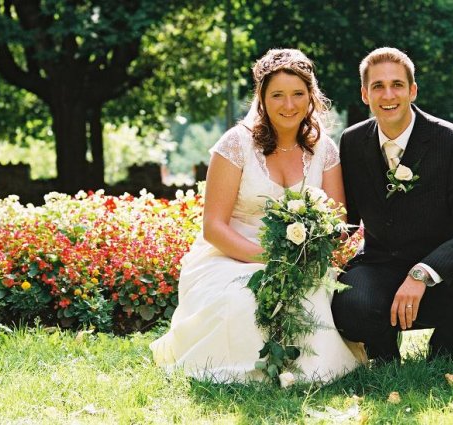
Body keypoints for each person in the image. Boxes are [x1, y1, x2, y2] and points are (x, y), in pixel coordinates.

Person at [150, 48, 360, 383]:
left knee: (314, 300)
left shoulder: (325, 148)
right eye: (277, 95)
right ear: (261, 97)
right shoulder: (235, 145)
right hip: (231, 255)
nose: (288, 105)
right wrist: (270, 259)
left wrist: (309, 251)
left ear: (311, 96)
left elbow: (338, 221)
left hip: (302, 261)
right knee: (242, 301)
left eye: (298, 94)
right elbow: (214, 227)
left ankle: (305, 372)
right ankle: (245, 370)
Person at [331, 47, 453, 364]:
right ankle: (385, 359)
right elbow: (349, 216)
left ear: (412, 90)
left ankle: (441, 357)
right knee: (348, 304)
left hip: (441, 276)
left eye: (397, 85)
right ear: (364, 94)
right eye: (378, 86)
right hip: (379, 267)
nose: (388, 95)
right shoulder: (352, 141)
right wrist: (310, 241)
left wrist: (421, 274)